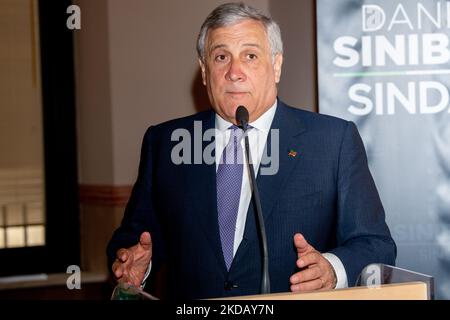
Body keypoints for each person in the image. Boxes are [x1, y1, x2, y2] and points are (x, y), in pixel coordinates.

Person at [107, 2, 396, 299]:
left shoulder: (333, 141)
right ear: (205, 71)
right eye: (221, 57)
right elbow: (135, 237)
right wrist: (139, 263)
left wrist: (333, 270)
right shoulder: (165, 142)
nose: (235, 72)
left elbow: (375, 243)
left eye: (250, 55)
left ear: (277, 66)